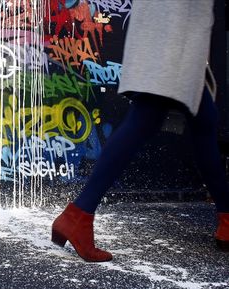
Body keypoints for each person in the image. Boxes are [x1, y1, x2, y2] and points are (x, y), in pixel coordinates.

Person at [51, 0, 229, 262]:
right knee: (147, 116)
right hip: (174, 28)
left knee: (202, 119)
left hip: (171, 26)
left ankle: (227, 216)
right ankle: (78, 212)